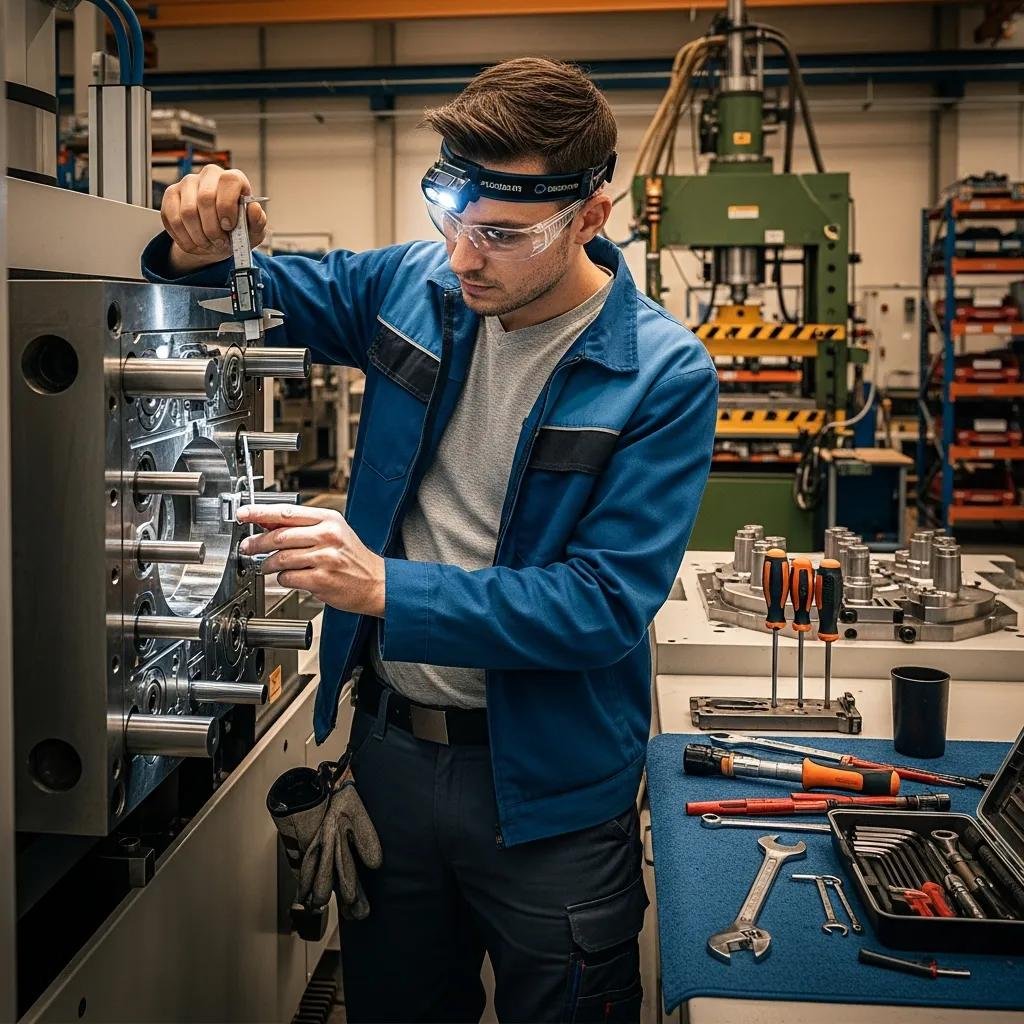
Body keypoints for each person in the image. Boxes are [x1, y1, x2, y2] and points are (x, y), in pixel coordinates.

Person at [142, 56, 717, 1023]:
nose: (463, 257)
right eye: (450, 218)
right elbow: (240, 293)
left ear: (590, 215)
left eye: (500, 235)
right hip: (393, 762)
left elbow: (602, 605)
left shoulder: (660, 376)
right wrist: (198, 226)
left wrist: (386, 591)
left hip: (553, 796)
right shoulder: (414, 288)